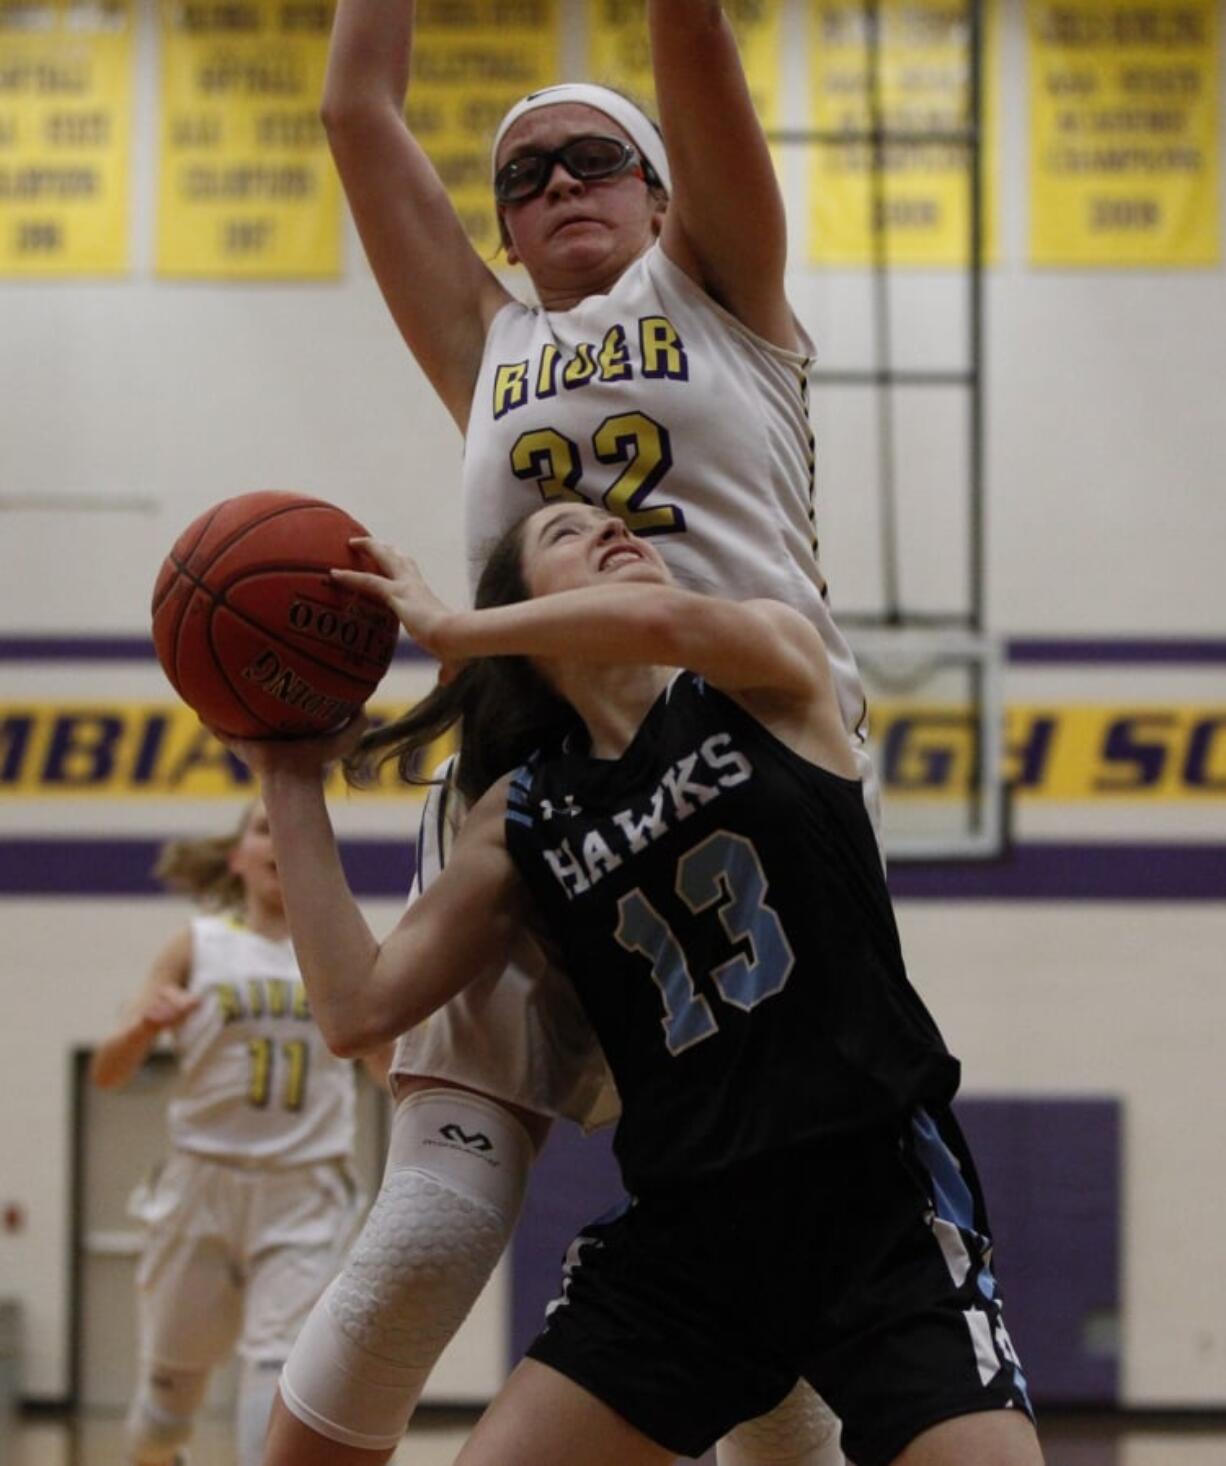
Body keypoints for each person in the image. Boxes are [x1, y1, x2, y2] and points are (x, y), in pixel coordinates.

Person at [276, 1, 877, 1459]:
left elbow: (690, 33)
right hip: (526, 801)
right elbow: (357, 109)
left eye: (590, 158)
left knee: (762, 1254)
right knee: (427, 1227)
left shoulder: (720, 288)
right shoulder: (486, 338)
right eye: (523, 177)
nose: (554, 187)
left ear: (659, 187)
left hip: (742, 782)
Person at [231, 503, 1042, 1466]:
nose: (616, 532)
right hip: (691, 1241)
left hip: (876, 1209)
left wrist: (457, 632)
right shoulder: (524, 811)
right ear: (526, 612)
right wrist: (288, 777)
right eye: (569, 534)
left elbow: (662, 628)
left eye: (622, 523)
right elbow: (356, 1007)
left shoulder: (767, 671)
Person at [90, 802, 390, 1466]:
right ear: (239, 857)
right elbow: (108, 1074)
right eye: (263, 828)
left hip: (305, 1186)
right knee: (163, 1416)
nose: (279, 837)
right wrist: (143, 1028)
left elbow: (387, 1069)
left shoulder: (341, 952)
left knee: (277, 1367)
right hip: (200, 1182)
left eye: (288, 828)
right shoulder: (197, 944)